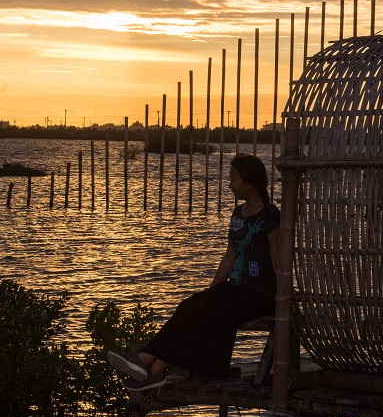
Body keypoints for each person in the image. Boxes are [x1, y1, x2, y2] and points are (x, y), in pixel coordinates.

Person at [108, 152, 281, 392]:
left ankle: (149, 364)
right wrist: (212, 292)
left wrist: (283, 295)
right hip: (237, 289)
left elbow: (277, 257)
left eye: (233, 180)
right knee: (190, 305)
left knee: (205, 309)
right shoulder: (238, 215)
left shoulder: (270, 216)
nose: (229, 185)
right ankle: (152, 368)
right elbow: (230, 256)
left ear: (250, 182)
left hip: (261, 294)